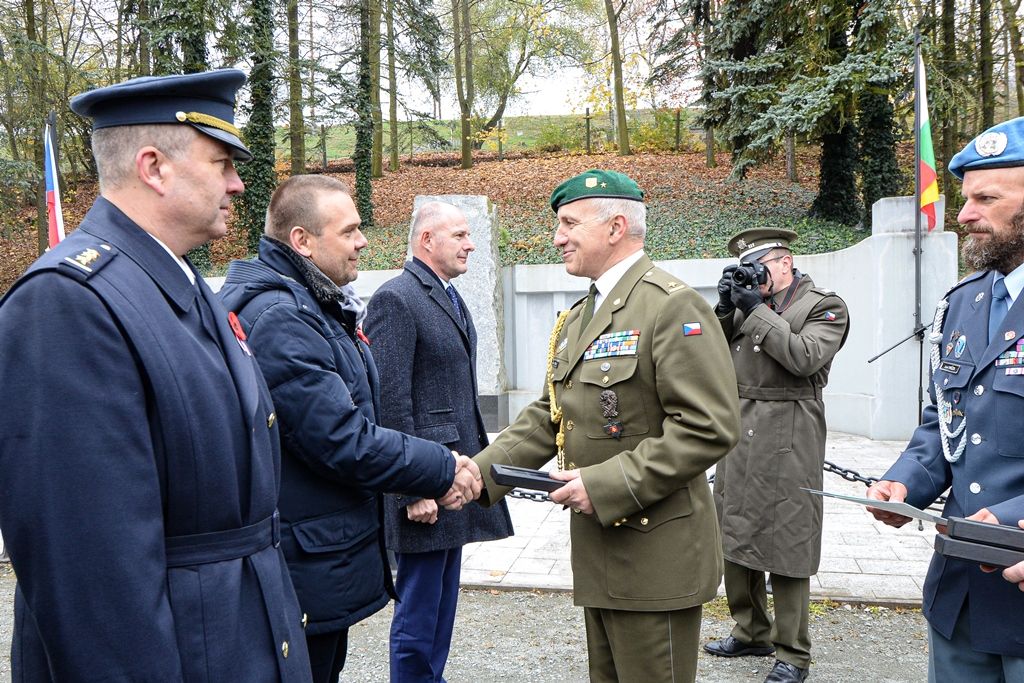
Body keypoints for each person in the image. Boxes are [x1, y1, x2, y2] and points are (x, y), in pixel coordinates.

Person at [0, 69, 313, 680]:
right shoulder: (67, 304)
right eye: (222, 162)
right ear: (154, 167)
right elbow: (93, 583)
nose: (237, 182)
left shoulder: (179, 280)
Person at [471, 169, 740, 682]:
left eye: (569, 223)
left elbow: (708, 426)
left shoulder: (670, 304)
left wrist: (605, 484)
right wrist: (479, 473)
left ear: (616, 227)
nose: (557, 237)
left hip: (654, 551)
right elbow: (551, 414)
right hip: (603, 549)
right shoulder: (582, 314)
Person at [218, 175, 482, 683]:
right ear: (303, 241)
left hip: (319, 547)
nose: (364, 241)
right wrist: (436, 470)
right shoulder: (281, 316)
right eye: (351, 230)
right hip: (305, 551)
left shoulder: (311, 303)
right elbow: (342, 437)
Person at [867, 115, 1024, 680]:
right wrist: (905, 480)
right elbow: (943, 424)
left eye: (986, 198)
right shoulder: (962, 304)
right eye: (965, 198)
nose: (963, 215)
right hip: (961, 595)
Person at [364, 201, 515, 682]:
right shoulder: (396, 298)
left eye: (469, 235)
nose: (470, 243)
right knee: (419, 613)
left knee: (441, 606)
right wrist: (412, 489)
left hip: (450, 476)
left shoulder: (444, 294)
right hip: (426, 484)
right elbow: (390, 402)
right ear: (427, 240)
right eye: (460, 235)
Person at [703, 228, 849, 683]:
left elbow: (803, 357)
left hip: (791, 428)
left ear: (785, 262)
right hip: (738, 424)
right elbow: (706, 349)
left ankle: (793, 652)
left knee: (788, 538)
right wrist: (725, 309)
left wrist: (755, 309)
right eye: (748, 268)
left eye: (762, 265)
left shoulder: (825, 306)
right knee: (733, 528)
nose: (755, 275)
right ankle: (751, 631)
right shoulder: (749, 304)